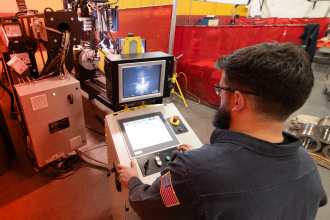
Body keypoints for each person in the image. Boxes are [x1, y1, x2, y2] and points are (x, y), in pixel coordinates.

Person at [117, 42, 328, 220]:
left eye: (221, 89)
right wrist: (201, 160)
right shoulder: (307, 165)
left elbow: (149, 206)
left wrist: (133, 181)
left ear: (237, 100)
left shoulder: (194, 171)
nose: (219, 96)